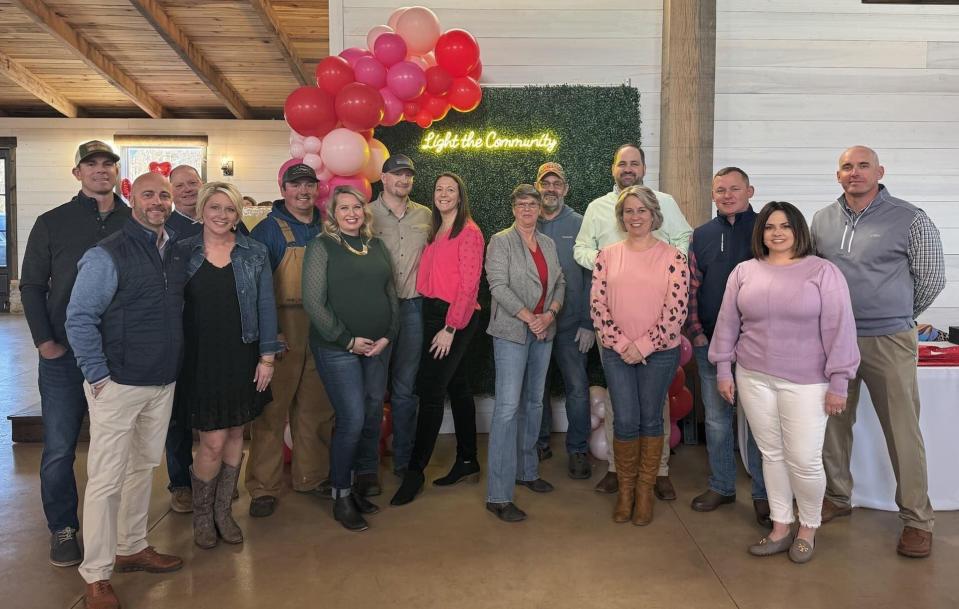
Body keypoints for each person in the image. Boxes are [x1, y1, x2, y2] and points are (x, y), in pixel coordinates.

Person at [812, 145, 946, 558]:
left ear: (879, 171)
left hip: (889, 339)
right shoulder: (822, 220)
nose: (854, 173)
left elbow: (931, 278)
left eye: (862, 166)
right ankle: (837, 496)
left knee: (902, 430)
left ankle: (917, 520)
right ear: (838, 176)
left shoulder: (911, 218)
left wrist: (896, 313)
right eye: (847, 167)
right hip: (834, 339)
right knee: (834, 425)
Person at [710, 201, 860, 563]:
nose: (776, 233)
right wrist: (723, 369)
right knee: (771, 455)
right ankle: (780, 526)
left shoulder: (823, 272)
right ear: (760, 233)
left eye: (785, 226)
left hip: (808, 382)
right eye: (769, 227)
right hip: (753, 376)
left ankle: (807, 527)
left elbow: (840, 328)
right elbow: (728, 323)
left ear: (798, 231)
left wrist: (839, 381)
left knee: (804, 459)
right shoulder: (744, 271)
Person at [65, 172, 186, 609]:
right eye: (149, 194)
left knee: (143, 468)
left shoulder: (173, 249)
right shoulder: (107, 253)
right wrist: (97, 375)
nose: (158, 202)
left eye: (165, 196)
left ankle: (132, 546)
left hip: (162, 380)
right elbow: (79, 318)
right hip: (117, 383)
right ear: (131, 197)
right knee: (105, 480)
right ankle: (96, 574)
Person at [20, 140, 130, 567]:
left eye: (108, 164)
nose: (101, 170)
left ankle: (115, 529)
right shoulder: (52, 223)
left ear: (117, 172)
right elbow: (31, 285)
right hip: (63, 356)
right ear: (78, 173)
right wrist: (45, 342)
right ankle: (63, 528)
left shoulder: (133, 220)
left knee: (117, 449)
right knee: (61, 447)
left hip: (119, 356)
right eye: (92, 164)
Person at [574, 143, 692, 498]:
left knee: (655, 405)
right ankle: (617, 470)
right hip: (616, 326)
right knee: (619, 406)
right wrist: (610, 263)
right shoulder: (597, 208)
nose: (628, 168)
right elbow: (581, 248)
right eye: (622, 163)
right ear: (613, 169)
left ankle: (658, 473)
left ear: (643, 167)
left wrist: (664, 266)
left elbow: (684, 238)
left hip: (656, 323)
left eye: (634, 163)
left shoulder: (666, 202)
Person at [174, 182, 281, 548]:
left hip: (243, 354)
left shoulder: (255, 252)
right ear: (203, 209)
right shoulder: (181, 250)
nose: (222, 215)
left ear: (239, 214)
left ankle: (223, 512)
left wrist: (267, 357)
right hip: (198, 359)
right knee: (213, 442)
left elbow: (266, 306)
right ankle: (202, 516)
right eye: (215, 207)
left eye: (230, 209)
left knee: (237, 433)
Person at [590, 185, 688, 526]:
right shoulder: (607, 255)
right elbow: (598, 307)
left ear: (653, 215)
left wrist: (643, 346)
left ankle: (645, 493)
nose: (635, 216)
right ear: (621, 216)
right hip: (617, 352)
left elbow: (675, 312)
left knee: (650, 419)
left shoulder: (673, 257)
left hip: (660, 353)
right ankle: (626, 492)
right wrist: (622, 345)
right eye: (629, 211)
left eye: (641, 210)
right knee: (626, 419)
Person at [303, 185, 398, 531]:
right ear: (334, 213)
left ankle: (358, 486)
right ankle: (341, 495)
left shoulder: (376, 246)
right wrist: (347, 339)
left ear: (364, 210)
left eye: (356, 207)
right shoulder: (321, 247)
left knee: (372, 412)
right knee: (353, 418)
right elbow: (313, 303)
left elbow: (391, 295)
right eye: (344, 208)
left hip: (377, 347)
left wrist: (388, 335)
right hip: (337, 348)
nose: (351, 213)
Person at [391, 172, 485, 506]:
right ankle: (468, 459)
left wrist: (450, 328)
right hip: (430, 312)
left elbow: (469, 285)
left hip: (454, 318)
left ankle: (415, 472)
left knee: (430, 391)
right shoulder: (434, 230)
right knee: (457, 387)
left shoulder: (469, 233)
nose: (444, 194)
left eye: (451, 190)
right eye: (439, 189)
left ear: (461, 197)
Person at [246, 163, 334, 517]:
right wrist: (270, 334)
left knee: (316, 409)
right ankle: (264, 487)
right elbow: (254, 288)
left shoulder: (328, 226)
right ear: (283, 189)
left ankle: (311, 477)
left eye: (309, 185)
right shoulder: (267, 230)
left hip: (323, 326)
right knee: (271, 411)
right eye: (296, 186)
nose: (303, 192)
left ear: (317, 189)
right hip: (282, 324)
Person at [685, 167, 770, 526]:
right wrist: (697, 333)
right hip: (711, 345)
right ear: (712, 194)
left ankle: (764, 495)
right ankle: (722, 485)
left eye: (735, 188)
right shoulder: (701, 235)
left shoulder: (768, 230)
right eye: (720, 189)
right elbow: (691, 287)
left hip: (757, 347)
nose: (727, 194)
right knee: (718, 421)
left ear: (750, 191)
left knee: (758, 423)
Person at [484, 184, 565, 523]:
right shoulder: (500, 241)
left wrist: (551, 313)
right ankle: (498, 495)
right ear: (514, 209)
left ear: (539, 208)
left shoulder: (546, 243)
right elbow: (497, 285)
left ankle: (527, 471)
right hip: (512, 332)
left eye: (533, 203)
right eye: (522, 204)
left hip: (544, 331)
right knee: (507, 409)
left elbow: (560, 282)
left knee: (534, 402)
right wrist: (530, 317)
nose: (528, 209)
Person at [368, 154, 431, 492]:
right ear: (383, 178)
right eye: (397, 175)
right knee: (374, 389)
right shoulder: (364, 214)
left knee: (407, 389)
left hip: (413, 308)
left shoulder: (425, 216)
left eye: (408, 175)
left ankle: (404, 461)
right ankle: (367, 465)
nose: (403, 180)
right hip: (377, 310)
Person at [534, 162, 594, 479]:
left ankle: (578, 450)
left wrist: (588, 323)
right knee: (537, 387)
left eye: (557, 184)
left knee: (577, 388)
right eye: (546, 183)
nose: (551, 189)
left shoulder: (581, 223)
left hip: (572, 325)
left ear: (565, 189)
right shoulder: (528, 222)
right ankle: (539, 442)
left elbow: (591, 277)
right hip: (538, 324)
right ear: (538, 186)